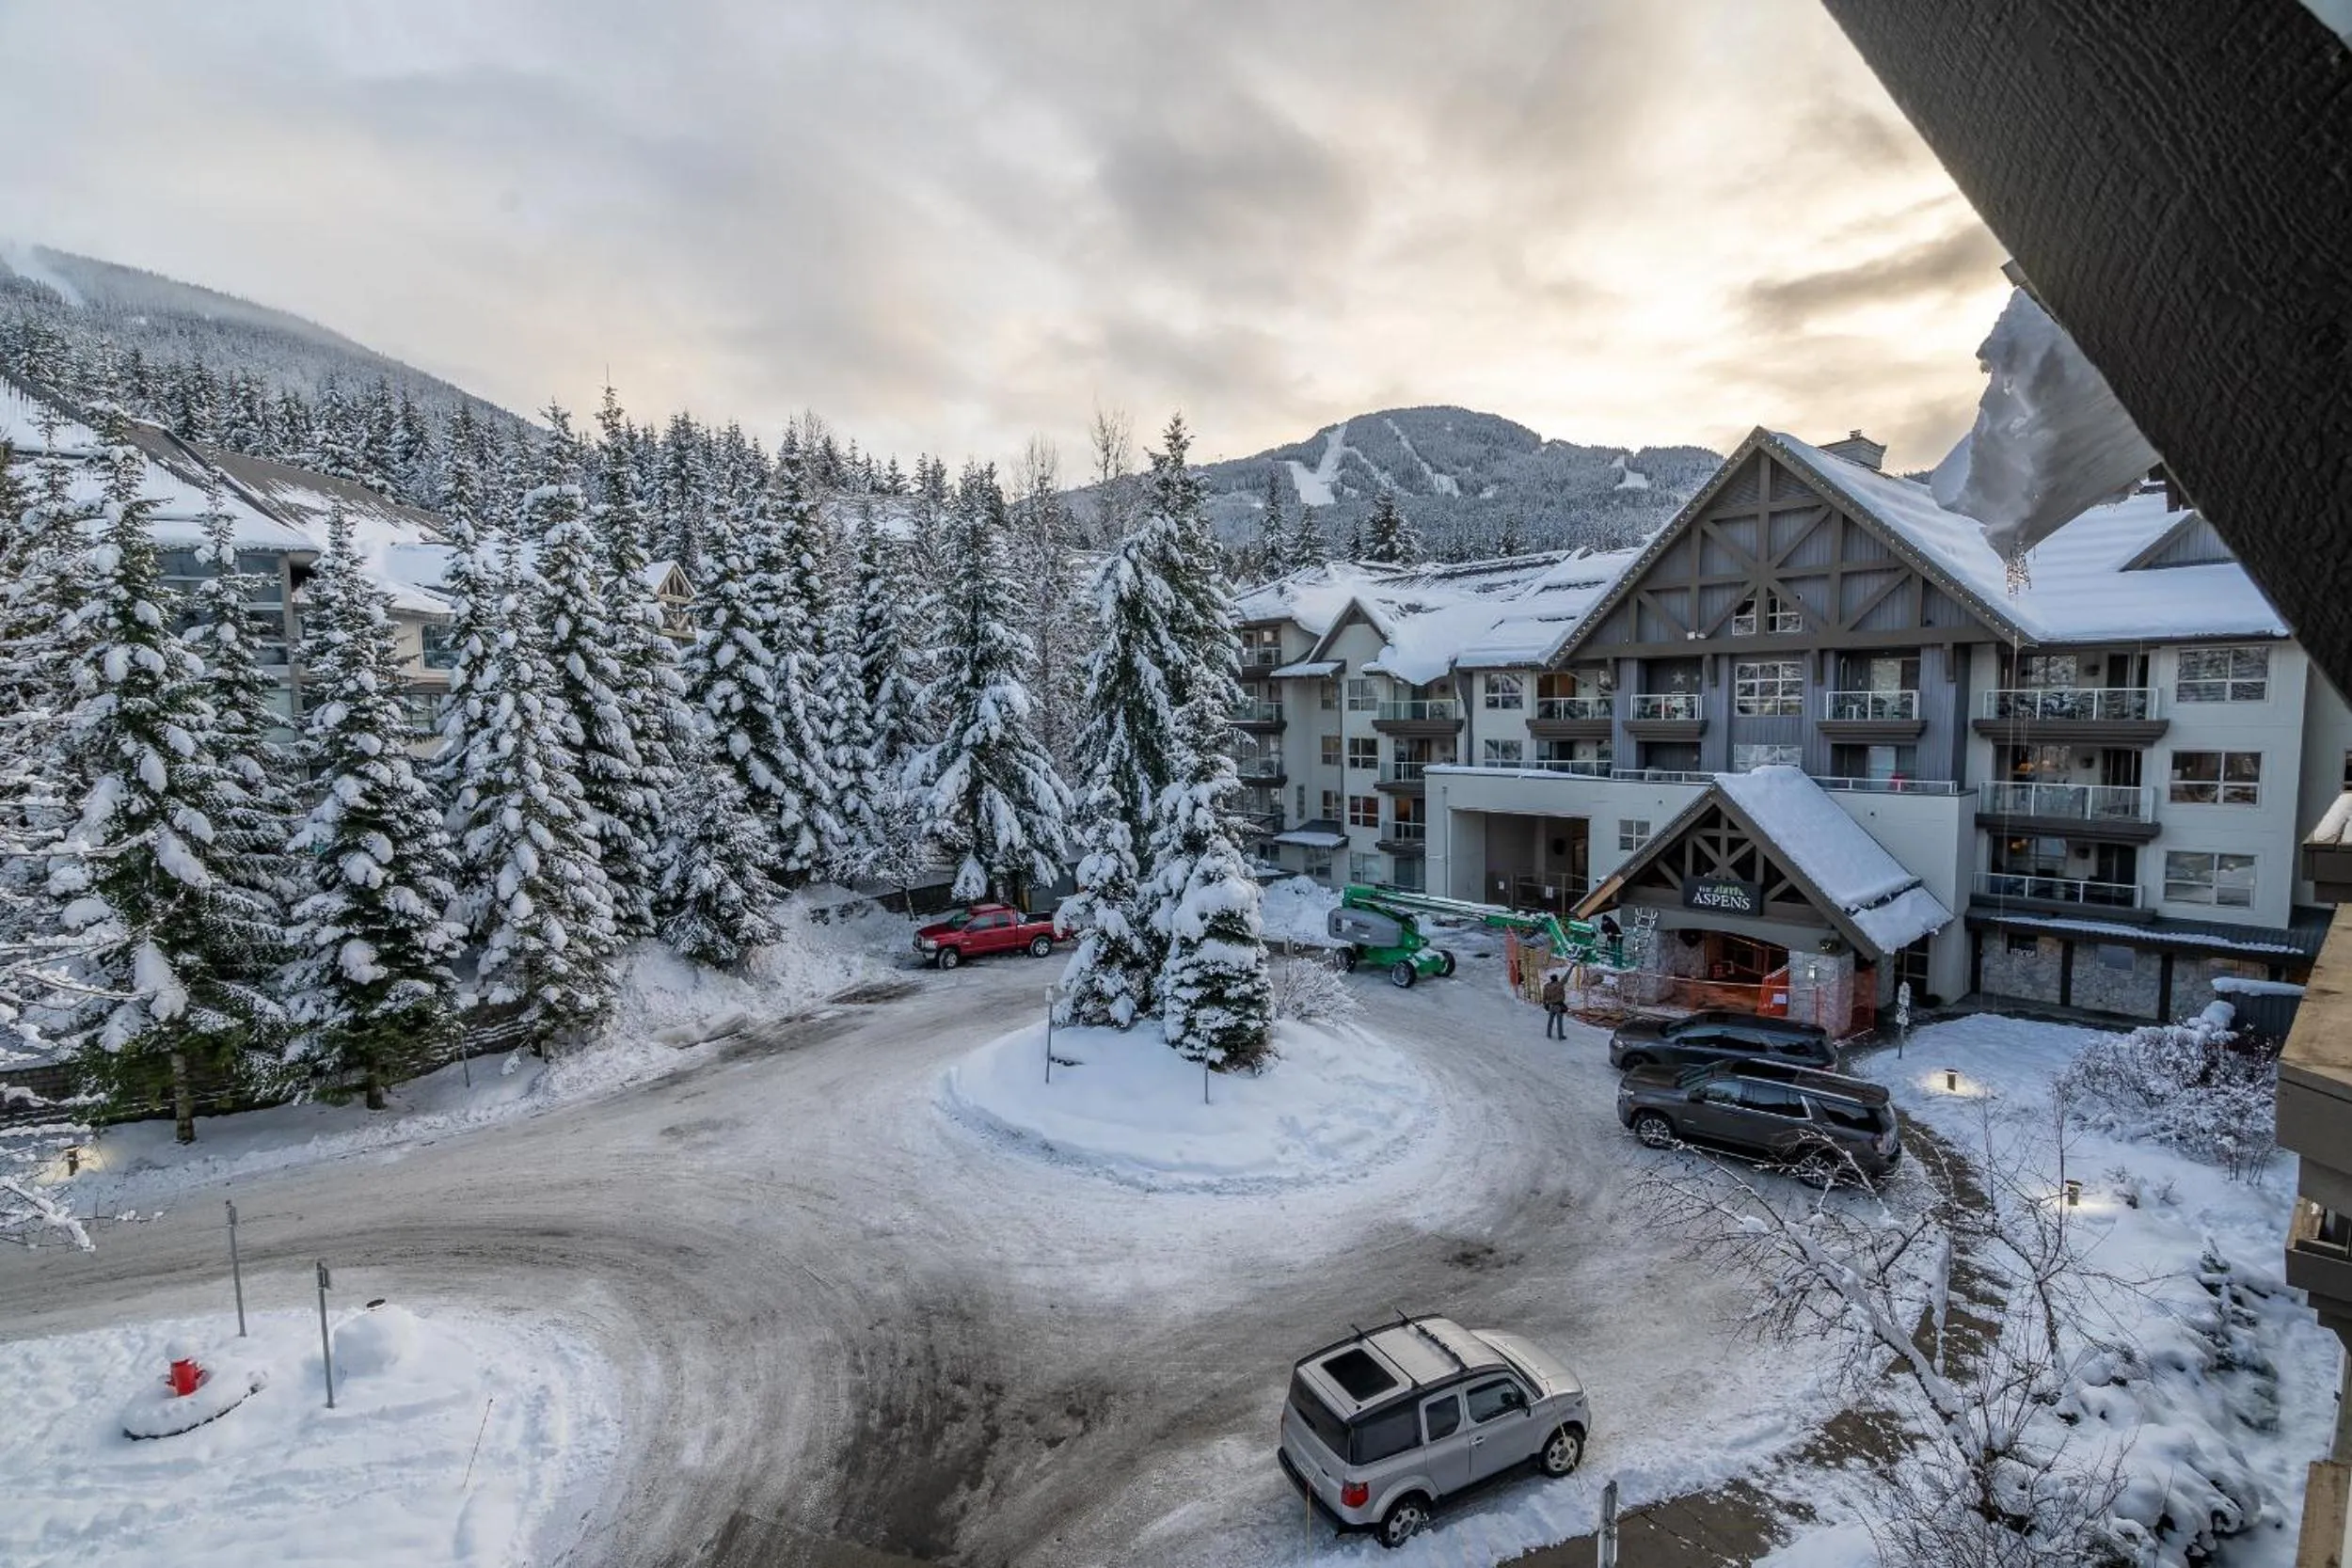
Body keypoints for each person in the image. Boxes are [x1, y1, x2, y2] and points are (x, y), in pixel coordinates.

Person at [1541, 970, 1568, 1038]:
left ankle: (1548, 1034)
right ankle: (1560, 1035)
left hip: (1551, 1005)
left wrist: (1545, 1004)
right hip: (1559, 1006)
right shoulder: (1559, 984)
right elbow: (1566, 977)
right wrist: (1571, 967)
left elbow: (1544, 997)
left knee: (1550, 1020)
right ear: (1557, 978)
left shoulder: (1547, 987)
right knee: (1559, 1022)